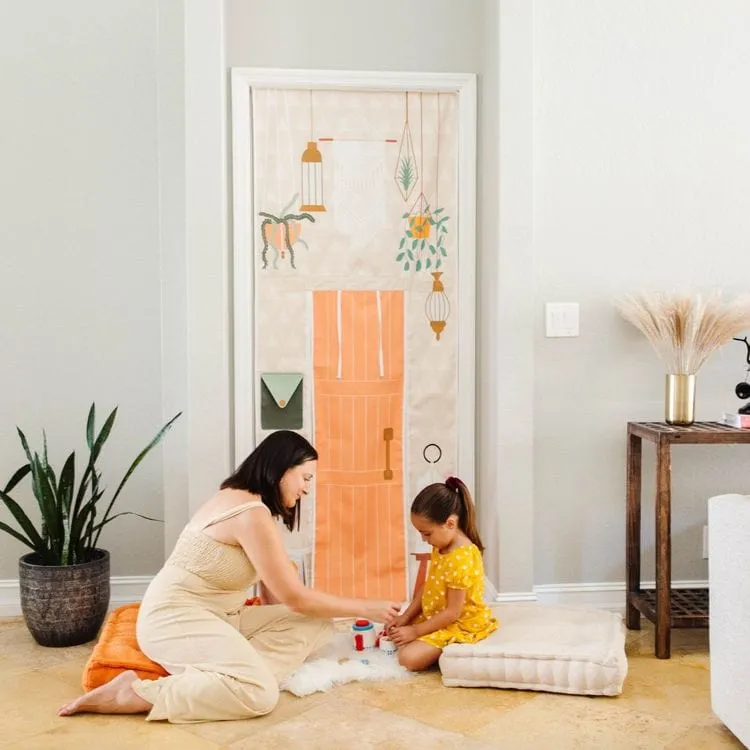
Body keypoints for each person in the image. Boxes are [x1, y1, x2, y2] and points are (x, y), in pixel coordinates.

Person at [58, 430, 401, 723]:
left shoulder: (243, 501)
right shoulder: (250, 513)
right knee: (260, 696)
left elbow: (281, 599)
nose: (307, 489)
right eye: (306, 477)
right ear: (282, 468)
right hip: (175, 619)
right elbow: (296, 598)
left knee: (318, 625)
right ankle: (134, 694)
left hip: (222, 618)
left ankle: (231, 673)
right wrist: (369, 608)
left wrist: (287, 604)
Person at [387, 476, 497, 671]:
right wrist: (406, 616)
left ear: (450, 524)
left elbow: (453, 613)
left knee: (408, 659)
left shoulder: (460, 558)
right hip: (438, 614)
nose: (423, 539)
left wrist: (415, 630)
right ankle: (422, 637)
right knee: (393, 630)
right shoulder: (442, 545)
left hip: (458, 622)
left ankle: (438, 646)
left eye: (427, 533)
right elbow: (429, 586)